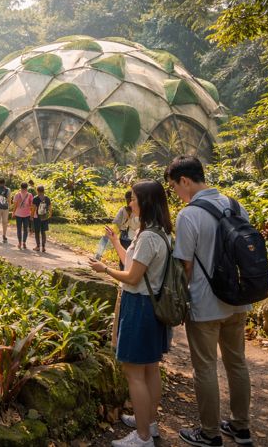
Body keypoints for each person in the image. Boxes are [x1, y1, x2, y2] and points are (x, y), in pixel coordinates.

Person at [165, 156, 253, 447]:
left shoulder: (189, 215)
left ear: (185, 181)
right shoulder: (237, 205)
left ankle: (210, 432)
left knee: (205, 367)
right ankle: (241, 428)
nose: (176, 193)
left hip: (205, 303)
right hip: (239, 300)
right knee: (237, 363)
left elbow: (185, 265)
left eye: (175, 187)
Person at [88, 180, 172, 447]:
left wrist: (105, 270)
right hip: (152, 305)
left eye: (134, 199)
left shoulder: (147, 236)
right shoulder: (159, 233)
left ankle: (143, 437)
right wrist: (115, 242)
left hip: (139, 307)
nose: (130, 203)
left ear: (145, 202)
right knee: (150, 368)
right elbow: (135, 264)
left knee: (133, 372)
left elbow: (133, 277)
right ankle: (149, 421)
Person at [113, 190, 140, 269]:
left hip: (134, 238)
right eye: (127, 199)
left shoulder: (138, 211)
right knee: (123, 258)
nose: (128, 202)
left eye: (131, 199)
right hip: (124, 237)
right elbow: (117, 223)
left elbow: (138, 225)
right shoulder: (123, 210)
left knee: (133, 258)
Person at [11, 182, 33, 250]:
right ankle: (24, 242)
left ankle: (19, 243)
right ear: (27, 187)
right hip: (27, 214)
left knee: (19, 229)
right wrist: (31, 213)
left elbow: (15, 205)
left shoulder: (17, 195)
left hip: (18, 214)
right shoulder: (30, 195)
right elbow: (32, 205)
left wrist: (13, 212)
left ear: (21, 187)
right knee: (25, 229)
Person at [31, 186, 52, 252]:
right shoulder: (47, 198)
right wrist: (50, 215)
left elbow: (33, 208)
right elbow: (50, 208)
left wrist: (31, 216)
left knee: (37, 232)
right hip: (44, 217)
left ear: (37, 191)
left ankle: (38, 246)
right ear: (43, 190)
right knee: (43, 232)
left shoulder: (35, 198)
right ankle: (43, 247)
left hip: (37, 217)